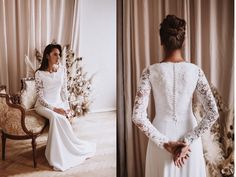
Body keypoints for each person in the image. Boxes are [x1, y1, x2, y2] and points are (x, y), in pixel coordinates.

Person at [132, 15, 219, 177]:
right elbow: (213, 112)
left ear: (161, 41)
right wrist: (188, 140)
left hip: (160, 138)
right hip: (189, 143)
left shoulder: (150, 72)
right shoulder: (195, 71)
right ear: (183, 41)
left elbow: (138, 116)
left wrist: (165, 143)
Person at [34, 44, 96, 171]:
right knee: (56, 118)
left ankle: (66, 149)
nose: (58, 57)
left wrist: (67, 108)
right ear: (47, 56)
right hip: (43, 106)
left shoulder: (62, 70)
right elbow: (40, 97)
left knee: (63, 117)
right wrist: (54, 109)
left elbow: (64, 92)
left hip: (58, 103)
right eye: (55, 54)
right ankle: (55, 154)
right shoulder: (39, 73)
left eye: (59, 54)